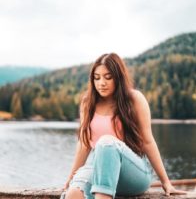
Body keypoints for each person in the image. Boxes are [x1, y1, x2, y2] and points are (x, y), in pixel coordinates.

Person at [62, 53, 186, 199]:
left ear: (118, 77)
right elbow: (84, 144)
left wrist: (166, 182)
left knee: (106, 142)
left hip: (133, 171)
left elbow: (147, 141)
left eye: (108, 77)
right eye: (97, 77)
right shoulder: (87, 103)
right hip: (98, 168)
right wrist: (70, 178)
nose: (101, 82)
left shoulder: (134, 99)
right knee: (73, 194)